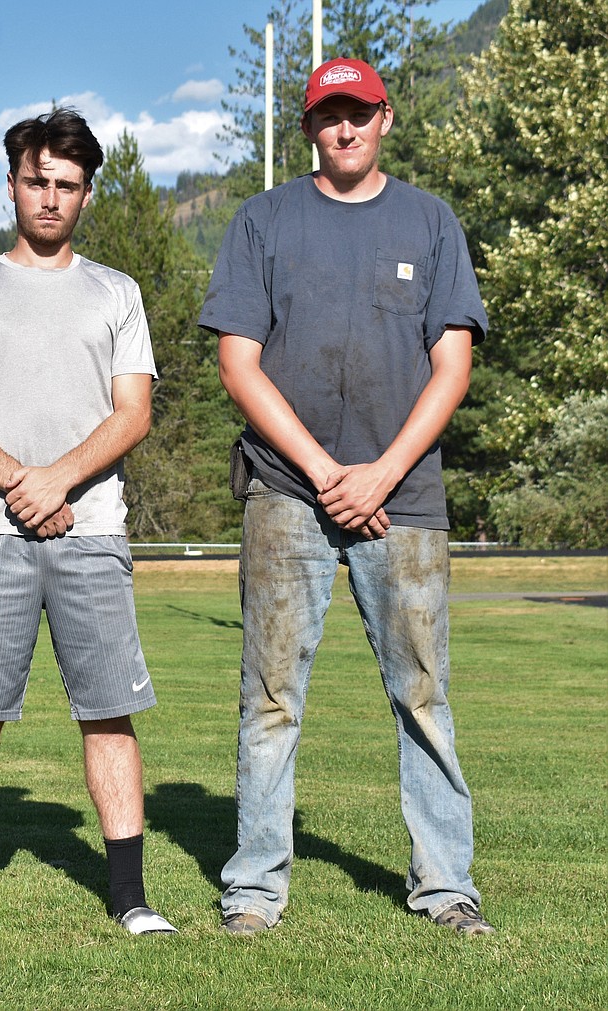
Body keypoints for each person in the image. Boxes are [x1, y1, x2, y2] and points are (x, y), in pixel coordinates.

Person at [198, 58, 495, 937]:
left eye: (359, 112)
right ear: (309, 128)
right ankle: (255, 889)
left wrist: (379, 473)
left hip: (405, 496)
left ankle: (446, 886)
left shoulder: (431, 222)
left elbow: (452, 368)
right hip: (287, 492)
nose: (346, 128)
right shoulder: (264, 220)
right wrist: (328, 473)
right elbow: (237, 363)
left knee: (423, 694)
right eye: (329, 115)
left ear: (385, 118)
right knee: (271, 696)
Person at [0, 108, 176, 937]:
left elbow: (133, 413)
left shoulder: (117, 293)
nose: (50, 198)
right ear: (14, 183)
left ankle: (131, 897)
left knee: (107, 713)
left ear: (87, 194)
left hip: (92, 530)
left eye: (67, 185)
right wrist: (20, 485)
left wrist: (56, 480)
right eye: (37, 181)